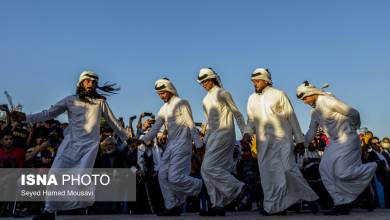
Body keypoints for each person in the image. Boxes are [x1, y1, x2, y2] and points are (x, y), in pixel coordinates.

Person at [11, 70, 131, 220]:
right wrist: (26, 118)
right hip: (70, 145)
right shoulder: (70, 100)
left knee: (78, 181)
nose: (91, 84)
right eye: (88, 81)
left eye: (94, 82)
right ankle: (49, 211)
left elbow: (114, 123)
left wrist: (128, 138)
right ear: (81, 83)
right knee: (54, 176)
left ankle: (80, 205)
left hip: (88, 148)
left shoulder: (100, 103)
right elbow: (48, 113)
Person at [243, 68, 319, 216]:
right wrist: (247, 133)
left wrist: (299, 140)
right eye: (253, 82)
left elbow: (292, 117)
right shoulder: (251, 99)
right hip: (263, 142)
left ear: (266, 80)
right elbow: (251, 120)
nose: (255, 84)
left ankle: (310, 199)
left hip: (282, 139)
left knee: (288, 170)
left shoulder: (279, 95)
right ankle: (276, 207)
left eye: (257, 81)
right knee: (268, 175)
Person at [296, 80, 379, 215]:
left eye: (305, 97)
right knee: (325, 170)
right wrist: (302, 144)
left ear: (312, 92)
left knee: (342, 173)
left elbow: (353, 113)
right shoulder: (314, 112)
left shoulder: (328, 101)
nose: (305, 101)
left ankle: (375, 165)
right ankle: (341, 203)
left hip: (347, 139)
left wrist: (353, 127)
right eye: (302, 100)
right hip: (334, 143)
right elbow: (312, 131)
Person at [138, 78, 203, 216]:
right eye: (159, 94)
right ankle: (172, 206)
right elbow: (155, 129)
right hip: (170, 147)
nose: (161, 96)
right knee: (162, 176)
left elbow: (191, 124)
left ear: (170, 89)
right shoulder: (163, 109)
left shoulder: (182, 103)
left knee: (174, 177)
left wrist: (198, 144)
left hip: (182, 146)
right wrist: (142, 141)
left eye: (163, 93)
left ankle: (200, 186)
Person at [197, 68, 248, 216]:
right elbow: (209, 122)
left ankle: (239, 187)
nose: (203, 84)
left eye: (205, 81)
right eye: (201, 82)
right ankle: (217, 205)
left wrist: (245, 132)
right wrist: (204, 141)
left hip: (225, 133)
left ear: (213, 79)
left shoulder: (223, 93)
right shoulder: (205, 100)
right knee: (205, 170)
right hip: (212, 136)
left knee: (208, 168)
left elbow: (237, 113)